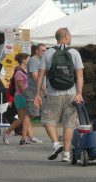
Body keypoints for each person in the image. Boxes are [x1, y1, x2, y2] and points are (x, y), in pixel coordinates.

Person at [34, 28, 84, 162]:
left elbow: (40, 75)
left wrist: (38, 94)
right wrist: (79, 93)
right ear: (67, 36)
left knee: (48, 120)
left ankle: (56, 144)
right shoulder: (74, 52)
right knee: (69, 124)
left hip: (52, 93)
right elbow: (79, 75)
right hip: (71, 94)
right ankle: (66, 154)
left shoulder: (48, 53)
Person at [19, 44, 47, 145]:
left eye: (45, 50)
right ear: (37, 51)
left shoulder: (42, 60)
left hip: (40, 90)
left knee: (43, 113)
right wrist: (44, 88)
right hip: (33, 91)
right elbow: (35, 76)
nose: (45, 52)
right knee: (29, 114)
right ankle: (23, 138)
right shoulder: (34, 60)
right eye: (43, 50)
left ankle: (29, 137)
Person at [2, 53, 30, 144]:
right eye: (28, 59)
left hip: (25, 95)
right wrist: (26, 96)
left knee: (27, 118)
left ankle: (24, 138)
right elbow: (20, 86)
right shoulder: (18, 71)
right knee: (22, 118)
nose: (29, 60)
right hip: (20, 96)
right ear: (23, 60)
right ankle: (6, 133)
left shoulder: (26, 70)